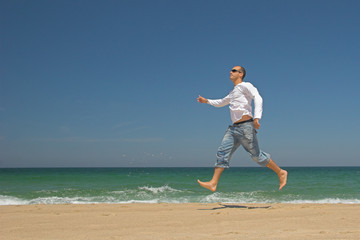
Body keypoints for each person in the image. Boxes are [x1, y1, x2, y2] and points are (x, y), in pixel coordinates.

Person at [197, 66, 287, 192]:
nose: (230, 72)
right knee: (222, 152)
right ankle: (213, 183)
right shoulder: (233, 92)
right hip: (234, 129)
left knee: (256, 156)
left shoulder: (246, 85)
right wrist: (206, 101)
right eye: (230, 70)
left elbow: (258, 97)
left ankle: (280, 172)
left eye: (233, 70)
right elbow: (221, 102)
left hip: (246, 127)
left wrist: (257, 117)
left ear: (241, 74)